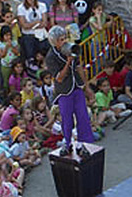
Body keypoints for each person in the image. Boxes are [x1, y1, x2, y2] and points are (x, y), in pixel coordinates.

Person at [44, 26, 93, 157]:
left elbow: (79, 68)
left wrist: (86, 87)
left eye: (65, 37)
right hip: (64, 91)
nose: (64, 41)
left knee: (82, 115)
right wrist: (68, 62)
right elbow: (59, 78)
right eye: (61, 39)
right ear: (55, 42)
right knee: (66, 118)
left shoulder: (71, 48)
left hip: (76, 87)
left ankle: (83, 144)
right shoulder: (50, 57)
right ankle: (67, 143)